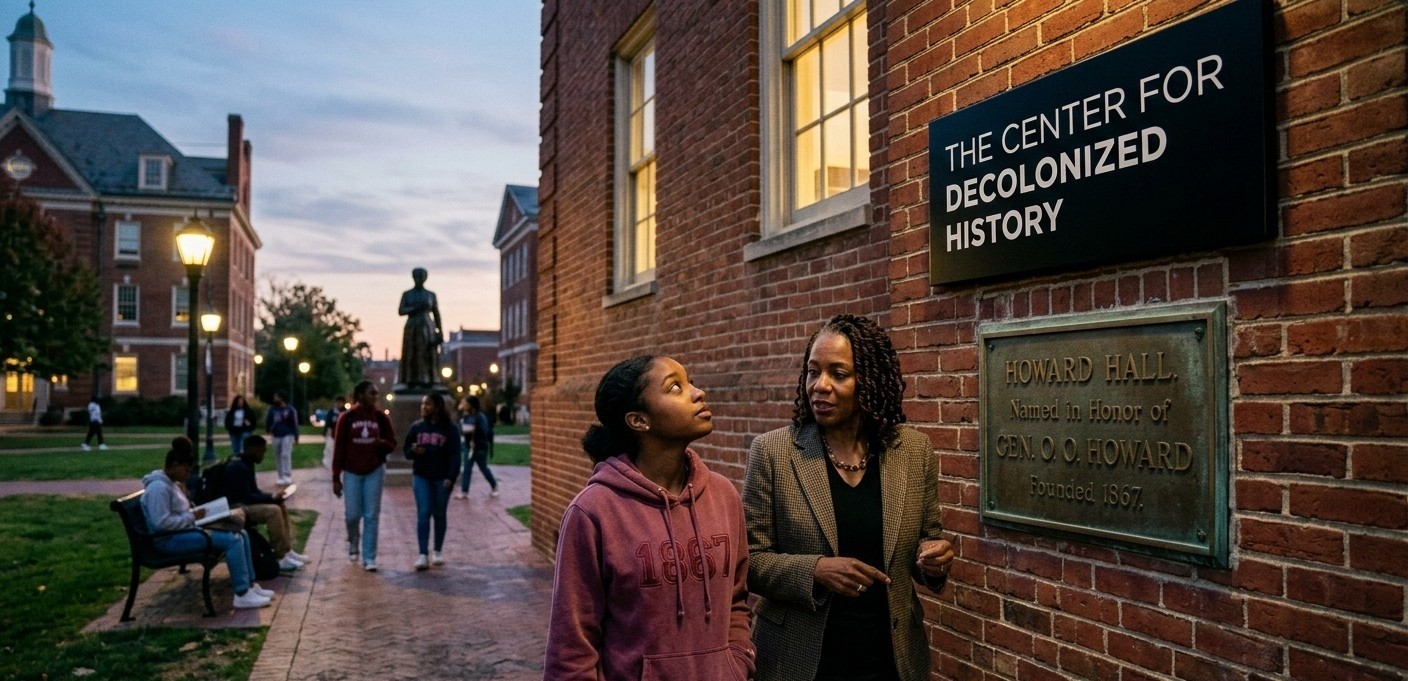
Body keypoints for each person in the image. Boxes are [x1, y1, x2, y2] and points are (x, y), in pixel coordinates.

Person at [743, 314, 954, 681]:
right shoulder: (773, 452)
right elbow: (750, 561)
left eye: (838, 374)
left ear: (868, 382)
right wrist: (816, 570)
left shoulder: (913, 451)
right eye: (812, 372)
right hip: (801, 659)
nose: (819, 386)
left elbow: (927, 541)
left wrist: (933, 560)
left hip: (889, 657)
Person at [544, 355, 755, 680]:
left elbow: (737, 602)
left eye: (691, 382)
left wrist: (737, 663)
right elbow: (572, 647)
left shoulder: (724, 496)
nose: (698, 393)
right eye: (676, 387)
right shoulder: (593, 512)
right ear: (639, 421)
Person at [140, 441, 273, 609]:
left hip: (183, 531)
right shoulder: (159, 488)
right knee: (232, 540)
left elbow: (179, 512)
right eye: (186, 470)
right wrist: (191, 517)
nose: (187, 475)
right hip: (169, 540)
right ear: (174, 465)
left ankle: (250, 585)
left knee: (241, 532)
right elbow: (161, 523)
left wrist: (196, 513)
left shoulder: (171, 483)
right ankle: (241, 593)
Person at [332, 380, 396, 572]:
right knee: (352, 515)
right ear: (360, 396)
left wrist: (381, 444)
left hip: (374, 470)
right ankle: (353, 542)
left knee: (371, 515)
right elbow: (339, 448)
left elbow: (392, 442)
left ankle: (370, 557)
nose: (375, 397)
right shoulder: (347, 417)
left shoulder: (380, 417)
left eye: (376, 394)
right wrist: (336, 477)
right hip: (352, 471)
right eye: (372, 394)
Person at [223, 434, 309, 572]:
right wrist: (271, 499)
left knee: (279, 505)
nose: (263, 455)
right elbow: (246, 497)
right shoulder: (237, 467)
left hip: (245, 503)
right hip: (238, 508)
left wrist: (274, 497)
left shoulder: (247, 463)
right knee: (273, 511)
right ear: (252, 449)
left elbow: (254, 491)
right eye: (261, 451)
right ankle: (280, 557)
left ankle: (287, 550)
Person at [404, 393, 461, 570]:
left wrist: (451, 477)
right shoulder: (417, 427)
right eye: (422, 404)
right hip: (421, 476)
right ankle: (422, 554)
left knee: (439, 514)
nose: (423, 407)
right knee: (424, 512)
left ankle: (437, 551)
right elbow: (407, 451)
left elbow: (456, 455)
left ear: (437, 406)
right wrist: (413, 450)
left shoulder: (450, 428)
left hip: (442, 478)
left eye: (427, 404)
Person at [397, 267, 443, 388]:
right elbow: (401, 311)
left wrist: (439, 331)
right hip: (412, 326)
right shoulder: (407, 294)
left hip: (427, 327)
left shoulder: (431, 295)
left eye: (421, 277)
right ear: (413, 278)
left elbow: (436, 313)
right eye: (417, 277)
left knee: (428, 354)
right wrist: (415, 309)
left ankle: (429, 379)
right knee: (412, 353)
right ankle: (411, 380)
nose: (419, 279)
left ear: (425, 278)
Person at [454, 395, 498, 499]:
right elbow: (462, 430)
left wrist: (474, 431)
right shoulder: (465, 416)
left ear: (471, 405)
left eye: (464, 403)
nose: (463, 405)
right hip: (469, 447)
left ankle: (494, 486)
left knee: (483, 468)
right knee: (467, 468)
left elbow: (485, 431)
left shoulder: (480, 416)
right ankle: (464, 491)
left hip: (479, 447)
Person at [264, 391, 299, 486]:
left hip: (287, 434)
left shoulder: (290, 409)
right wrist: (268, 429)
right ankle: (280, 476)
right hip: (276, 435)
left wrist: (296, 436)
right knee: (277, 455)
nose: (274, 399)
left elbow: (294, 423)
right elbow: (269, 420)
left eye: (276, 397)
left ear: (281, 398)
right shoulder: (273, 409)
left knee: (285, 454)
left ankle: (287, 475)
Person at [321, 395, 346, 468]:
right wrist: (325, 431)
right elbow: (328, 422)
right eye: (337, 403)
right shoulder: (332, 412)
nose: (338, 405)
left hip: (342, 435)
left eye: (340, 403)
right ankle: (328, 463)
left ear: (343, 403)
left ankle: (341, 464)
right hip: (332, 433)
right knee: (329, 448)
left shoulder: (346, 412)